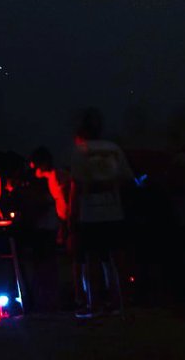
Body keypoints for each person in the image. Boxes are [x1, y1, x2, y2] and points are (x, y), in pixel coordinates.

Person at [68, 107, 134, 319]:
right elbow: (126, 179)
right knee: (119, 257)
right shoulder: (114, 149)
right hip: (114, 211)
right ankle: (122, 303)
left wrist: (72, 216)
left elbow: (76, 186)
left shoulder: (80, 151)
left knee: (92, 258)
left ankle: (94, 304)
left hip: (90, 214)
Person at [23, 146, 67, 312]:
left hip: (49, 227)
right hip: (48, 227)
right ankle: (46, 301)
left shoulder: (56, 176)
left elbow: (62, 201)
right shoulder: (47, 180)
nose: (33, 169)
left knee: (46, 265)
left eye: (35, 164)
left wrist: (64, 224)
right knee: (45, 265)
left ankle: (49, 301)